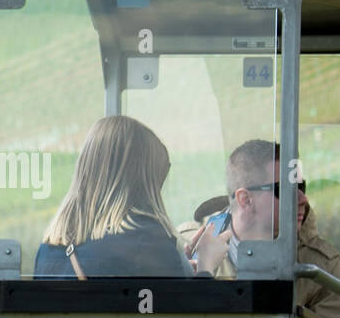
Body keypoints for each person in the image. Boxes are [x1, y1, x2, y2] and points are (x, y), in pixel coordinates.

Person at [185, 139, 340, 318]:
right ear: (245, 199)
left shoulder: (320, 268)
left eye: (301, 187)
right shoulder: (187, 248)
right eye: (285, 189)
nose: (303, 199)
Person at [34, 115, 229, 278]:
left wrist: (176, 263)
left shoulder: (48, 249)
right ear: (143, 184)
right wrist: (206, 266)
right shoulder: (146, 241)